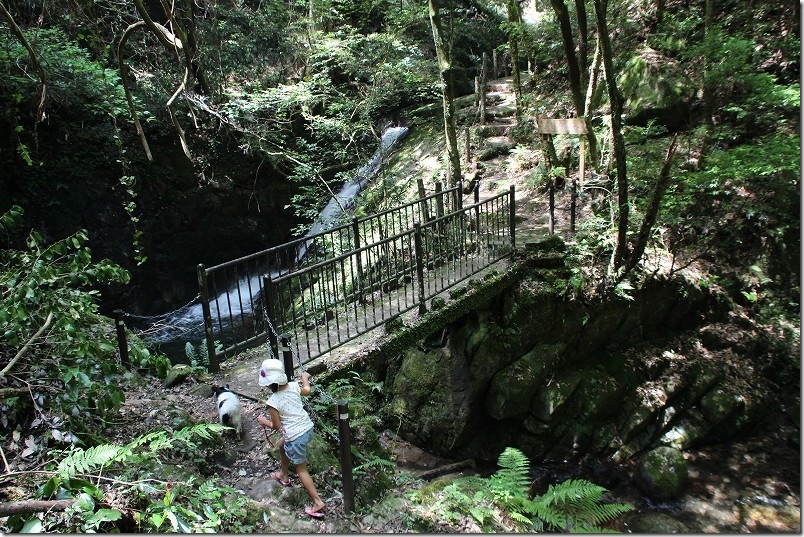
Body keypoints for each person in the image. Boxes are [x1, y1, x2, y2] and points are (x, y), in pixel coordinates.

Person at [256, 358, 326, 519]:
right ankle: (284, 475)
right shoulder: (294, 386)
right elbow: (307, 391)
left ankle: (317, 501)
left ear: (268, 384)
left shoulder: (273, 402)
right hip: (307, 428)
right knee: (282, 445)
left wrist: (262, 422)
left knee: (301, 469)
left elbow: (276, 426)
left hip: (295, 437)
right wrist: (305, 378)